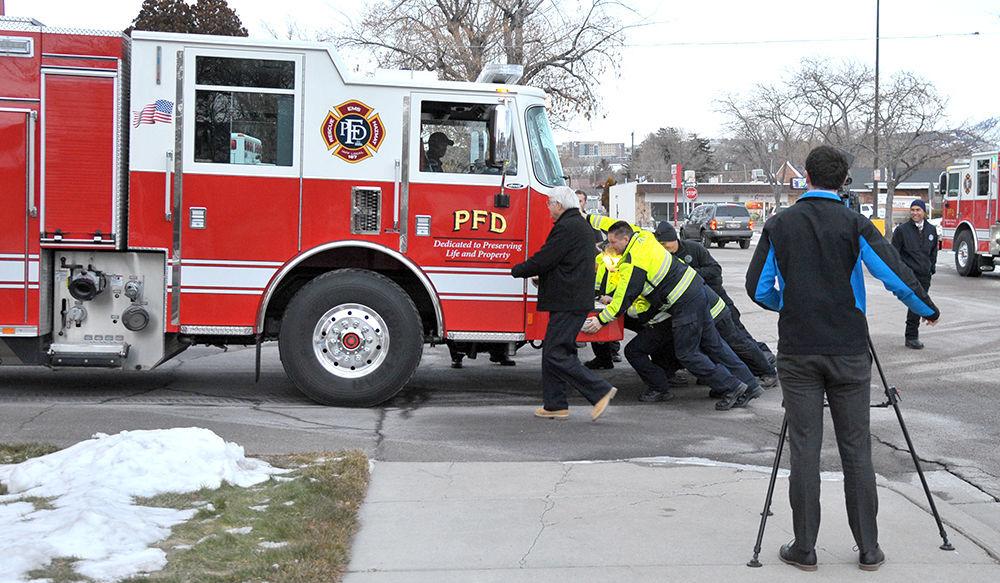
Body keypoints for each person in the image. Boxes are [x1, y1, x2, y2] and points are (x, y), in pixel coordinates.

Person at [746, 146, 940, 572]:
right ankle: (869, 548)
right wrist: (926, 308)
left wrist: (789, 305)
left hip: (798, 351)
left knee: (804, 449)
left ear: (807, 176)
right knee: (856, 449)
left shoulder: (779, 224)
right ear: (843, 181)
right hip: (849, 350)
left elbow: (757, 287)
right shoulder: (855, 224)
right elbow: (893, 273)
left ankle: (805, 548)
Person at [583, 220, 760, 411]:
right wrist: (587, 217)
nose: (611, 246)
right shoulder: (643, 236)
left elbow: (623, 300)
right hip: (697, 293)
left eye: (613, 242)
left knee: (688, 354)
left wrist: (600, 320)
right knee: (714, 346)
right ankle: (750, 385)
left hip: (683, 304)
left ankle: (732, 387)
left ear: (625, 239)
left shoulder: (633, 261)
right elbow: (612, 223)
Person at [511, 186, 617, 420]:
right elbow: (565, 262)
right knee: (555, 352)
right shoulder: (578, 225)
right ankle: (555, 404)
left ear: (558, 205)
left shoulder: (566, 227)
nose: (548, 208)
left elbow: (546, 257)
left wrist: (517, 269)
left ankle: (600, 391)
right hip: (571, 299)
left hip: (568, 301)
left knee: (556, 354)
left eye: (550, 204)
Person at [653, 221, 777, 388]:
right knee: (712, 345)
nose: (662, 248)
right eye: (659, 245)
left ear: (674, 239)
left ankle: (766, 370)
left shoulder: (694, 249)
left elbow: (715, 271)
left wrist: (689, 275)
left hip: (718, 302)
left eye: (664, 243)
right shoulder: (665, 258)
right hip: (696, 308)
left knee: (737, 340)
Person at [891, 199, 938, 349]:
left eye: (918, 210)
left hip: (925, 275)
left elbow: (933, 252)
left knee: (920, 303)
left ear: (924, 212)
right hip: (909, 275)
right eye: (912, 210)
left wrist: (931, 268)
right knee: (915, 304)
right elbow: (894, 253)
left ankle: (912, 335)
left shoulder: (931, 230)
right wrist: (900, 272)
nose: (915, 213)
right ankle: (911, 337)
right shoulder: (902, 230)